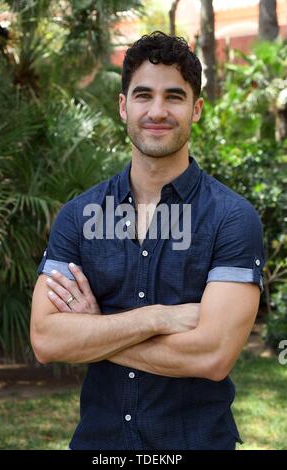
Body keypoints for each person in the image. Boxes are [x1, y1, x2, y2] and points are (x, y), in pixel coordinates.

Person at [30, 31, 265, 450]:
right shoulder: (79, 216)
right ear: (124, 106)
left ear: (197, 109)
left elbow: (211, 357)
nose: (158, 111)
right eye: (143, 95)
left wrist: (94, 331)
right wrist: (157, 318)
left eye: (174, 97)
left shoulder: (232, 219)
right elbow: (47, 340)